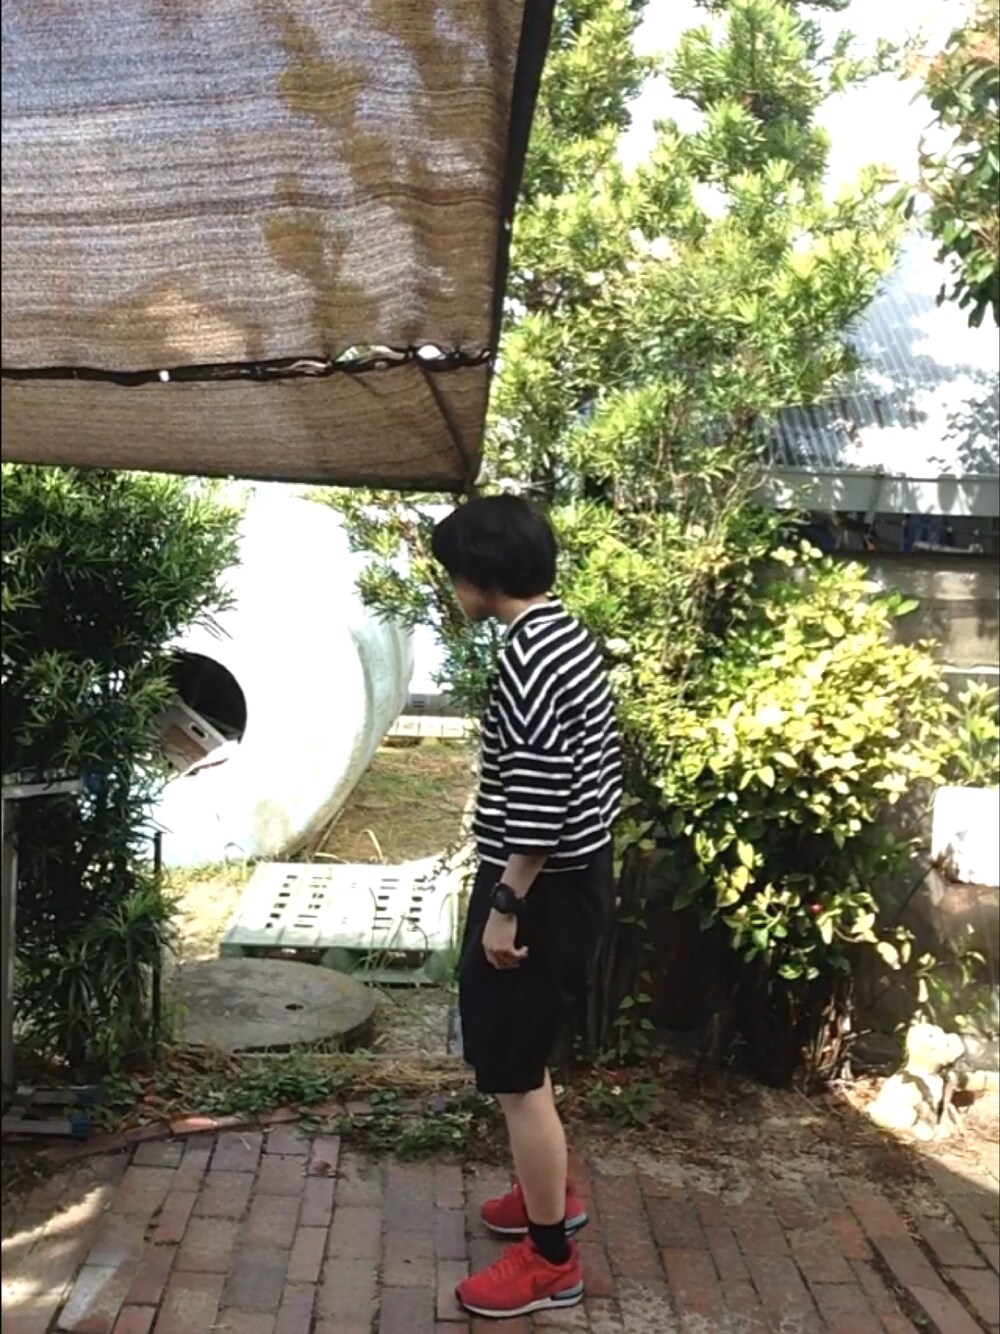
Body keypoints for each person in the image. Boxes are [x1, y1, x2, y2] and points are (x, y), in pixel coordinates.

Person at [431, 494, 623, 1320]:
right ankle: (549, 1195)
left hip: (539, 886)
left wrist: (506, 903)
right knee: (527, 1056)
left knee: (515, 1073)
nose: (451, 586)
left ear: (483, 574)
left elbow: (541, 801)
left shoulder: (529, 657)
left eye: (454, 572)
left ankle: (550, 1261)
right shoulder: (565, 634)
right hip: (572, 879)